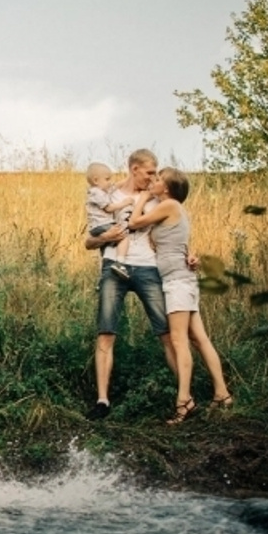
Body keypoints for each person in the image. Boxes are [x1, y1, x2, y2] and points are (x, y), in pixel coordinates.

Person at [127, 167, 233, 424]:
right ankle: (222, 394)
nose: (154, 181)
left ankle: (183, 401)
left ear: (168, 188)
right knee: (198, 338)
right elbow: (178, 242)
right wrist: (190, 256)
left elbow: (133, 222)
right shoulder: (171, 209)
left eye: (159, 179)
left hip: (177, 283)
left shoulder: (170, 204)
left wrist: (141, 196)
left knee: (179, 340)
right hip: (181, 279)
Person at [82, 149, 176, 420]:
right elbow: (89, 241)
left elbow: (171, 232)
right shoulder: (107, 194)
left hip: (148, 266)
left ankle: (185, 396)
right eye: (149, 172)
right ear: (134, 169)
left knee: (166, 332)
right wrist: (106, 237)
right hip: (114, 265)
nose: (153, 177)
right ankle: (102, 401)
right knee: (106, 332)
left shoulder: (157, 198)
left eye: (155, 172)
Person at [85, 162, 134, 281]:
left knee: (104, 251)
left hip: (96, 227)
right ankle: (120, 263)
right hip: (102, 224)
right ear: (96, 180)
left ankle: (101, 279)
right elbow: (108, 208)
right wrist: (124, 203)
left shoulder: (101, 190)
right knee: (123, 236)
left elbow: (115, 186)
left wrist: (130, 177)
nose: (110, 182)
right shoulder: (96, 193)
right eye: (107, 179)